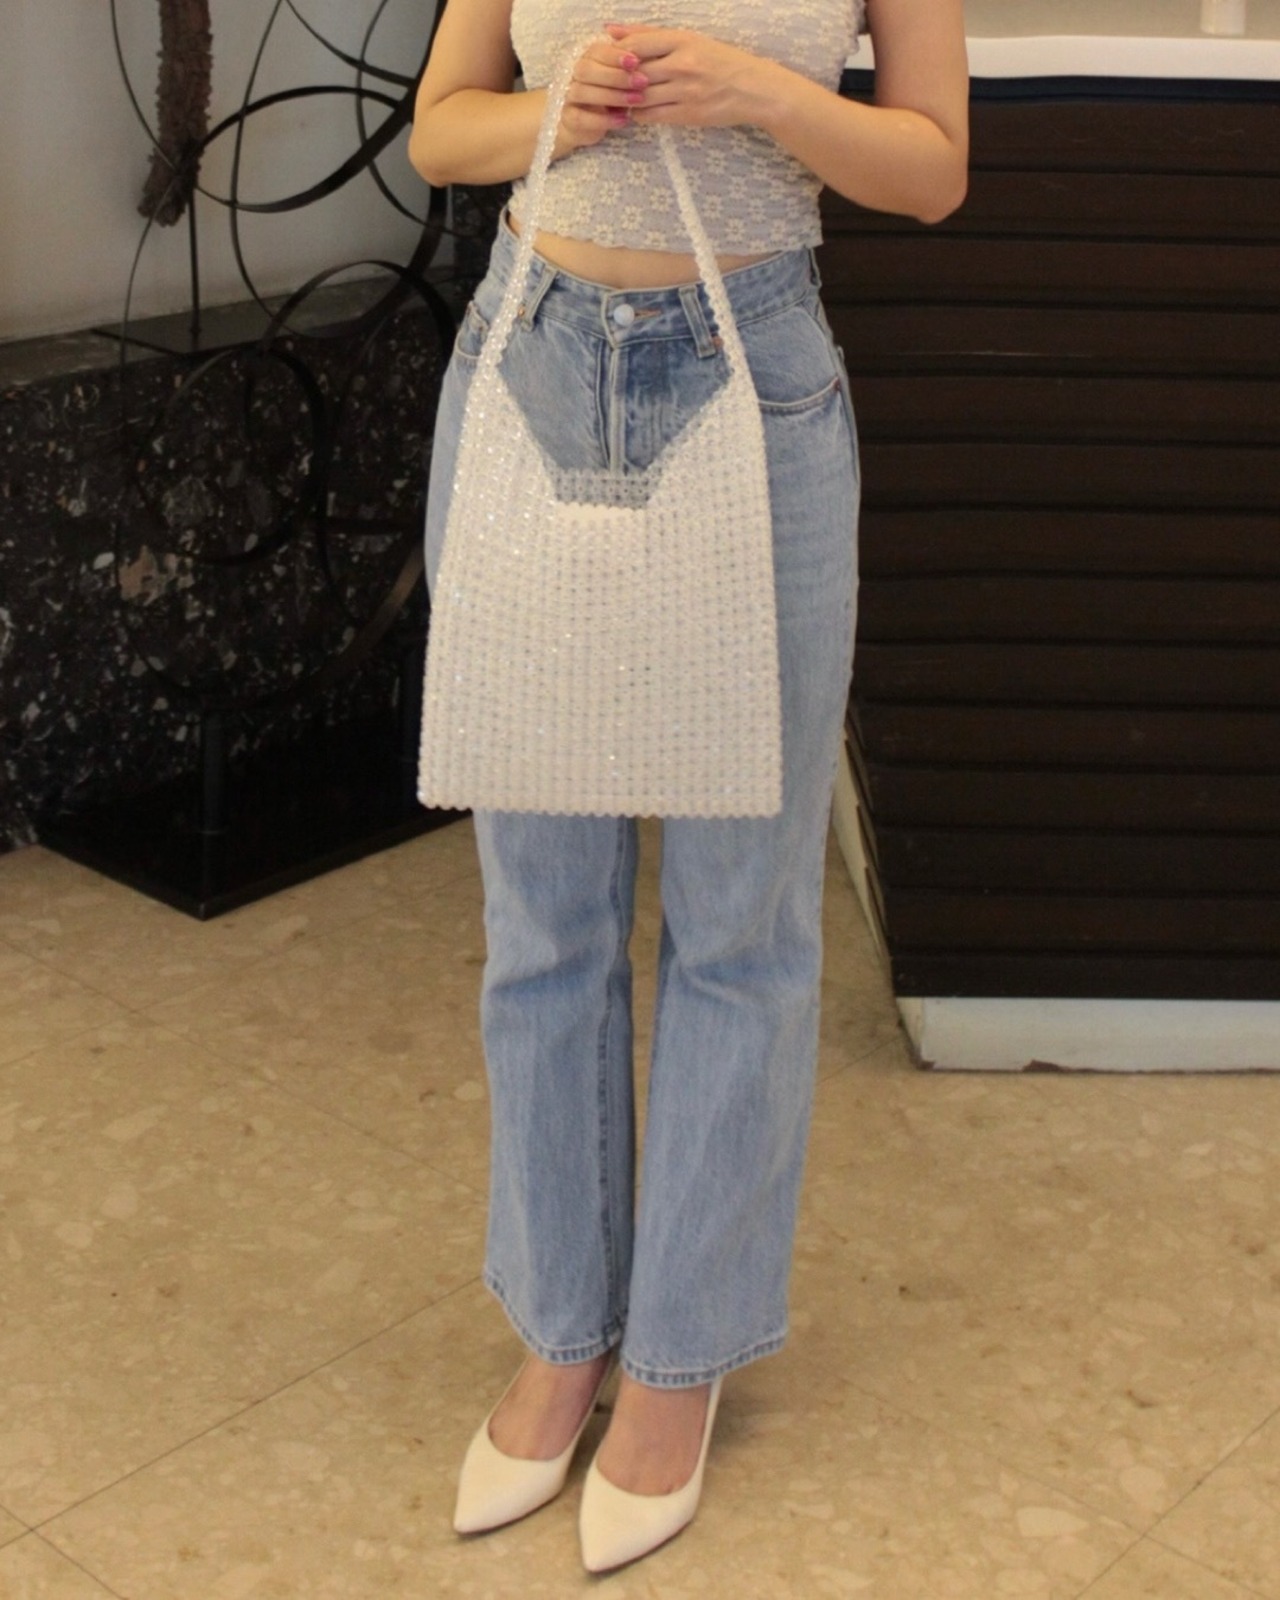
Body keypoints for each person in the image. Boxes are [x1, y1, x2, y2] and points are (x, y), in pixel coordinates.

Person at [409, 0, 967, 1573]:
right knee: (545, 919)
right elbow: (443, 130)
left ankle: (679, 1358)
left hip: (757, 382)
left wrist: (760, 95)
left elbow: (931, 169)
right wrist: (562, 115)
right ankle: (562, 1331)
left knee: (740, 926)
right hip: (529, 360)